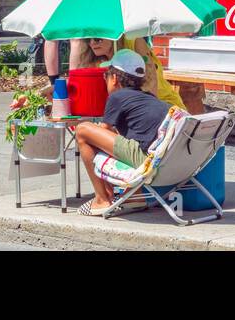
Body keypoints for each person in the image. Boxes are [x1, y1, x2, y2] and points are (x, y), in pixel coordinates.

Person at [73, 49, 172, 216]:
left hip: (146, 160)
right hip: (168, 162)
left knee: (83, 130)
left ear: (114, 78)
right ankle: (135, 197)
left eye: (105, 76)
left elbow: (103, 133)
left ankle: (102, 199)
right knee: (125, 137)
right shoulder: (147, 98)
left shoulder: (118, 97)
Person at [69, 35, 183, 107]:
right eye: (88, 39)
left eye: (98, 39)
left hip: (162, 106)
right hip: (127, 111)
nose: (92, 43)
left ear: (113, 36)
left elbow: (150, 82)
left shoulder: (134, 41)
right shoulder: (95, 59)